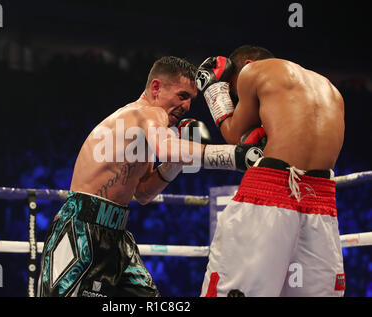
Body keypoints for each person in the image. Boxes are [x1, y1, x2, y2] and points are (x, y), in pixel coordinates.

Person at [37, 56, 264, 297]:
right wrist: (234, 156)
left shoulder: (140, 129)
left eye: (191, 100)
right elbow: (167, 148)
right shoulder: (150, 113)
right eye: (182, 95)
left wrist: (175, 161)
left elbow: (143, 192)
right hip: (80, 225)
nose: (187, 107)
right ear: (156, 88)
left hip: (116, 232)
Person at [196, 45, 346, 296]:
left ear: (246, 63)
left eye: (234, 90)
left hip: (270, 190)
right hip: (320, 198)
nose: (237, 98)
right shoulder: (329, 87)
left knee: (236, 290)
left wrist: (215, 90)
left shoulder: (252, 70)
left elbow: (234, 134)